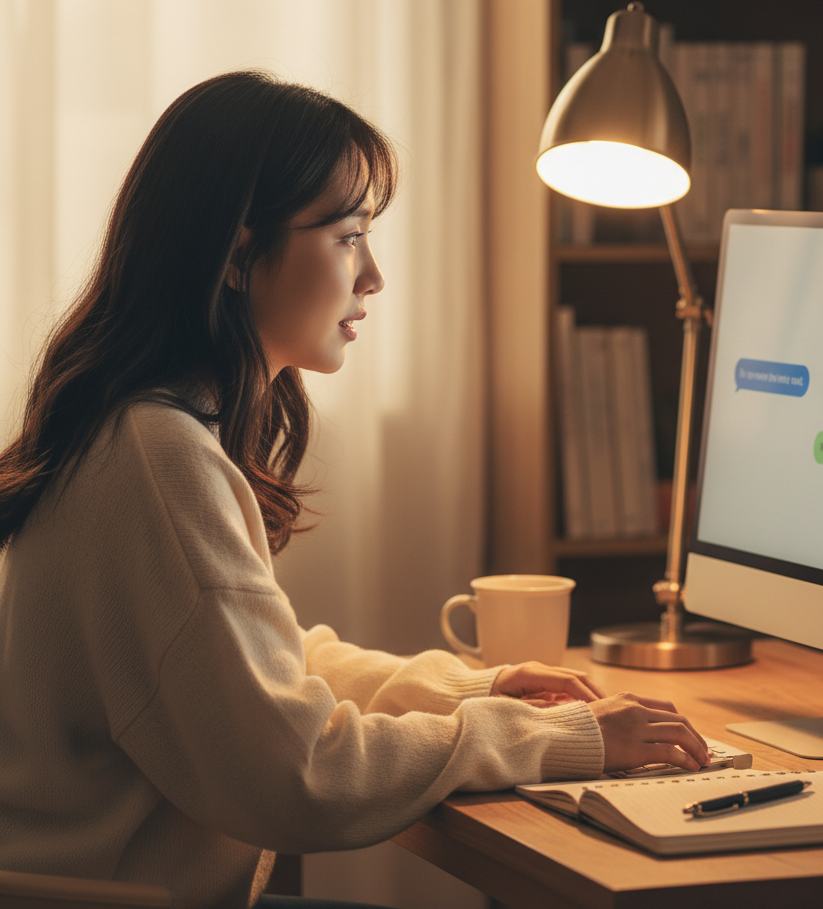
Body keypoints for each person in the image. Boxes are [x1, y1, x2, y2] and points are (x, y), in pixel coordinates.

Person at [0, 71, 708, 909]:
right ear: (236, 253)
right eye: (347, 236)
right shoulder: (158, 460)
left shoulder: (143, 429)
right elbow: (300, 774)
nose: (372, 276)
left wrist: (468, 689)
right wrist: (558, 736)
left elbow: (270, 669)